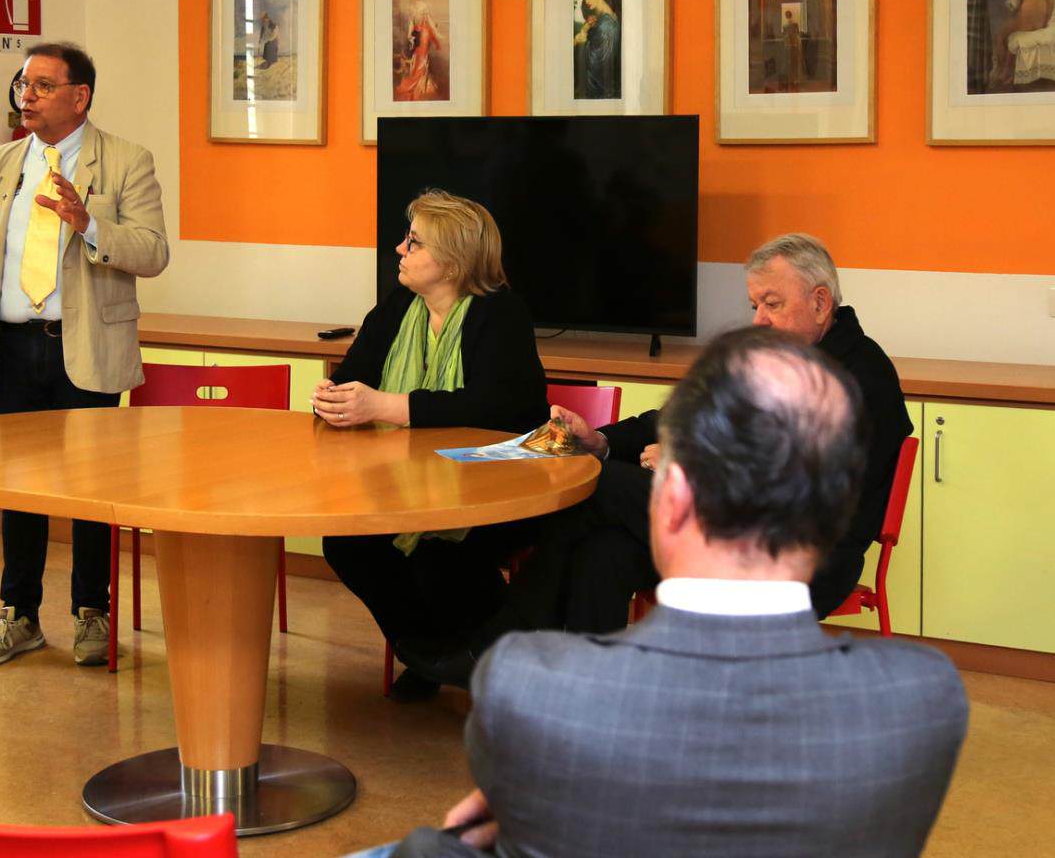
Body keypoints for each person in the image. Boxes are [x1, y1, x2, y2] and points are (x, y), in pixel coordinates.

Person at [386, 327, 968, 858]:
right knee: (605, 549)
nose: (760, 314)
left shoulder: (524, 683)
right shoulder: (925, 699)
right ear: (829, 506)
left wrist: (471, 838)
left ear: (673, 500)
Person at [398, 232, 911, 687]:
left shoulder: (862, 380)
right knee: (603, 552)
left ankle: (496, 651)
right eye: (755, 305)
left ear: (820, 302)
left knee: (595, 486)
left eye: (771, 304)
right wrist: (599, 440)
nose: (759, 320)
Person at [0, 42, 169, 668]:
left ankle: (92, 612)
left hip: (85, 346)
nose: (26, 96)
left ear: (79, 96)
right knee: (19, 487)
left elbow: (152, 252)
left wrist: (90, 225)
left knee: (91, 487)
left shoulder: (126, 161)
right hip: (10, 347)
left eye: (41, 85)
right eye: (22, 84)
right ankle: (19, 615)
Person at [317, 189, 548, 701]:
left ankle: (472, 661)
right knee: (347, 541)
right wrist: (332, 398)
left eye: (414, 242)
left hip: (500, 483)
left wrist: (386, 406)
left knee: (440, 554)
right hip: (404, 480)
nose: (400, 249)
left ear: (453, 261)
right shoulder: (399, 305)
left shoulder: (500, 313)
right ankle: (436, 655)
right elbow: (354, 374)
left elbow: (497, 408)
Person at [989, 0, 1054, 90]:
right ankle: (1008, 72)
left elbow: (1014, 6)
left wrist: (1008, 2)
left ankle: (1000, 71)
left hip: (1025, 22)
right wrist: (1044, 22)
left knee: (999, 36)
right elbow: (1051, 4)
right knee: (1007, 33)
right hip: (1040, 23)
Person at [572, 0, 621, 99]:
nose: (586, 1)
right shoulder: (600, 17)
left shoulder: (607, 25)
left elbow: (597, 64)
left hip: (599, 90)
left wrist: (581, 40)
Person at [395, 0, 441, 101]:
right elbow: (411, 22)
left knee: (422, 58)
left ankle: (420, 85)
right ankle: (416, 84)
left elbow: (429, 20)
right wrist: (409, 36)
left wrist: (437, 33)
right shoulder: (411, 7)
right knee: (416, 57)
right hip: (415, 34)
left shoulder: (424, 6)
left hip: (424, 34)